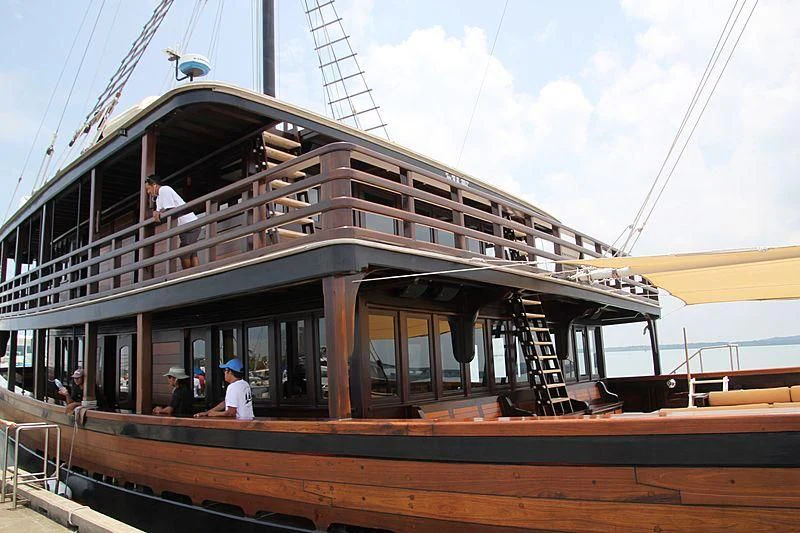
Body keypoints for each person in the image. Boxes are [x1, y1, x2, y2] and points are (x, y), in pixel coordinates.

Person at [144, 174, 203, 269]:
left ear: (154, 185)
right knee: (191, 252)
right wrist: (157, 213)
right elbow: (160, 216)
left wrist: (158, 212)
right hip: (183, 227)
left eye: (148, 189)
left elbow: (170, 209)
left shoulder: (165, 189)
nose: (148, 192)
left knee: (184, 253)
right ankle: (196, 273)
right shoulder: (158, 199)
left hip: (190, 224)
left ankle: (187, 275)